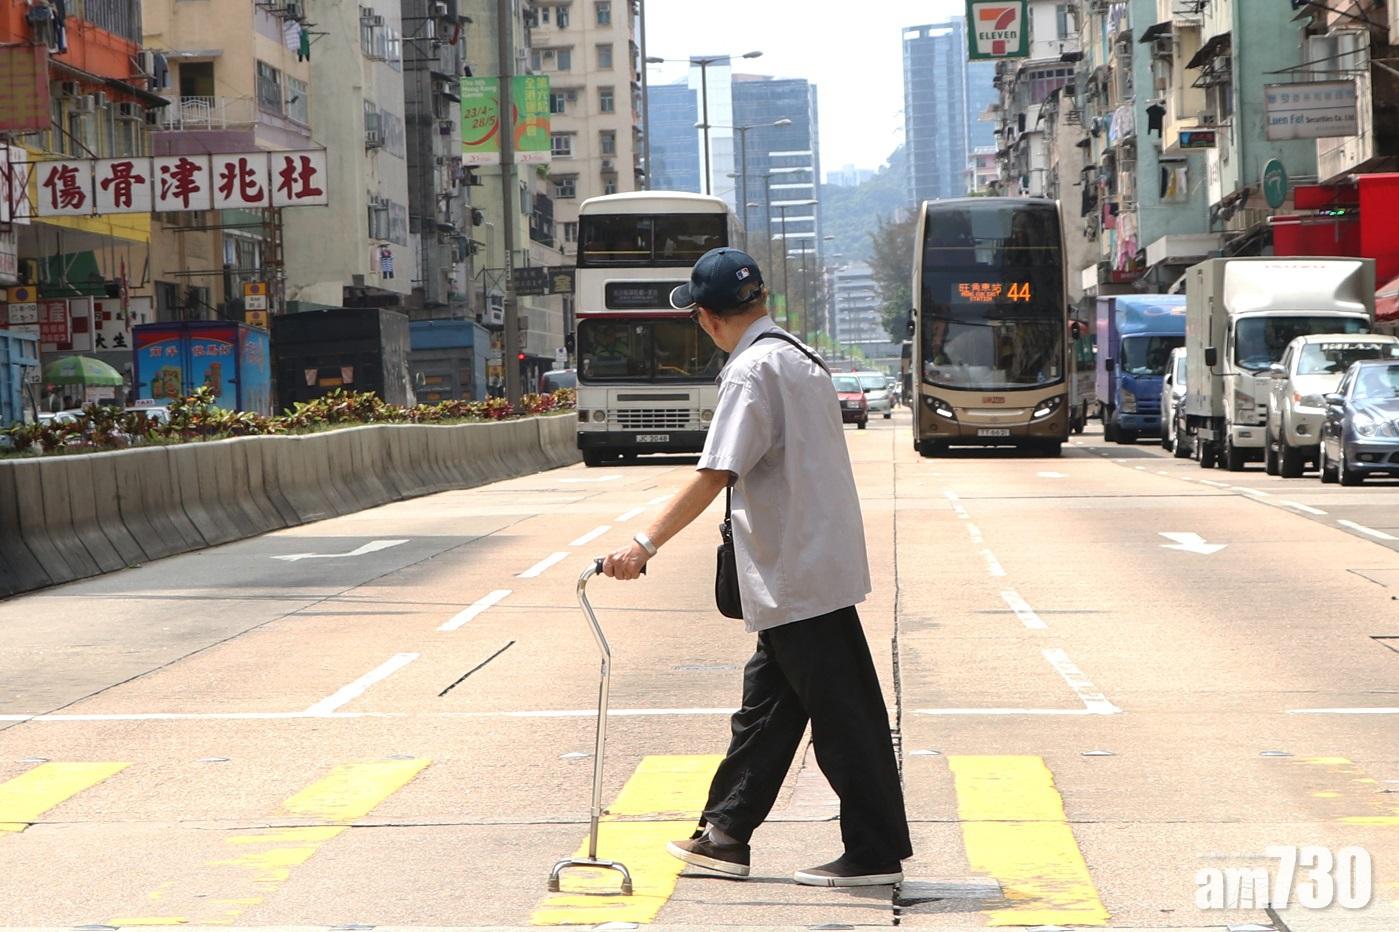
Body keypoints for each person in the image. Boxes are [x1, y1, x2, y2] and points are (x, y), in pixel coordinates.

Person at [602, 247, 912, 887]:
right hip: (809, 566)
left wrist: (642, 544)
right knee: (769, 710)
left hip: (796, 572)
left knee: (844, 718)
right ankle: (726, 834)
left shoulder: (750, 374)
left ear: (707, 318)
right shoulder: (800, 358)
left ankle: (875, 851)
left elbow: (716, 472)